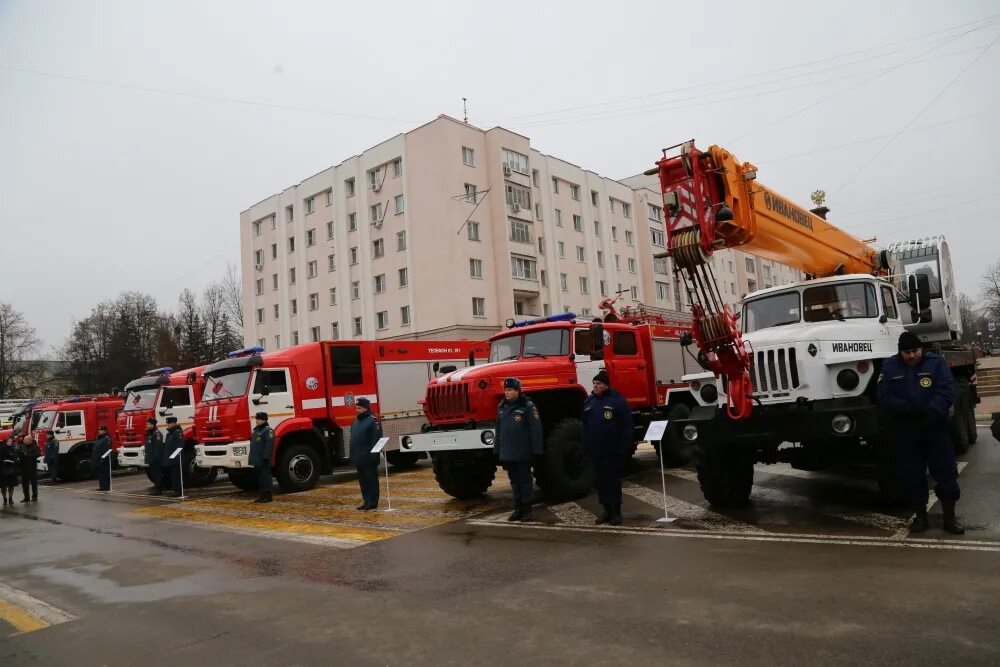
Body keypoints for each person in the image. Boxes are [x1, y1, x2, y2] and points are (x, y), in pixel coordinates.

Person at [877, 331, 962, 534]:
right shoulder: (889, 367)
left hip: (935, 429)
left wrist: (930, 412)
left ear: (921, 349)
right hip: (906, 431)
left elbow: (946, 390)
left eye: (915, 351)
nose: (912, 356)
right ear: (901, 353)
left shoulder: (936, 363)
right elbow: (884, 396)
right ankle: (920, 517)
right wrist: (907, 410)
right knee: (912, 475)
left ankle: (950, 518)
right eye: (907, 352)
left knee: (946, 474)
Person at [582, 370, 634, 526]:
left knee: (612, 480)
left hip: (612, 450)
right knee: (601, 481)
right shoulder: (589, 402)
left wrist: (625, 446)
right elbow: (585, 426)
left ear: (606, 385)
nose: (595, 386)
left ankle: (616, 511)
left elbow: (627, 425)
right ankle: (606, 510)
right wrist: (584, 445)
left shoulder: (617, 401)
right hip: (595, 450)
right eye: (594, 383)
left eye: (598, 383)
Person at [494, 377, 543, 522]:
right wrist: (497, 451)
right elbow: (499, 431)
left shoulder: (528, 407)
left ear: (517, 391)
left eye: (509, 390)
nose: (506, 393)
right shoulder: (502, 407)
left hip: (523, 452)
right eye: (505, 390)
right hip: (508, 453)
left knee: (525, 481)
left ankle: (527, 510)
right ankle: (518, 509)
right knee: (514, 482)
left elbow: (536, 431)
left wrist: (537, 451)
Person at [349, 398, 383, 511]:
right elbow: (353, 439)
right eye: (356, 408)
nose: (357, 410)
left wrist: (374, 455)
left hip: (369, 458)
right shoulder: (356, 421)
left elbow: (376, 439)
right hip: (359, 457)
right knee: (363, 482)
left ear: (366, 408)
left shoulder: (373, 421)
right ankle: (366, 501)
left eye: (359, 408)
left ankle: (372, 502)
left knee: (371, 480)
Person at [249, 412, 274, 503]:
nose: (256, 421)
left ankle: (268, 496)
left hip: (264, 459)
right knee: (260, 477)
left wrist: (266, 456)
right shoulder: (256, 431)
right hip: (257, 460)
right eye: (256, 419)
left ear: (264, 420)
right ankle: (262, 495)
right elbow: (253, 445)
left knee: (265, 477)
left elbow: (269, 444)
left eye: (258, 419)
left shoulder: (268, 430)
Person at [162, 416, 185, 498]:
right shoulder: (170, 433)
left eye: (169, 423)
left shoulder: (177, 432)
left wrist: (172, 457)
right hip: (171, 459)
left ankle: (178, 491)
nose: (168, 425)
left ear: (173, 423)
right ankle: (175, 490)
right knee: (173, 475)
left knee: (177, 475)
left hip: (176, 459)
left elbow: (180, 446)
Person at [143, 418, 165, 495]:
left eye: (148, 424)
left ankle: (158, 489)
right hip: (150, 458)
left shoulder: (157, 434)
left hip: (155, 458)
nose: (147, 425)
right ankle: (156, 487)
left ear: (153, 425)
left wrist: (155, 458)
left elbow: (158, 447)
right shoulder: (149, 433)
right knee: (153, 473)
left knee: (157, 473)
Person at [17, 434, 41, 502]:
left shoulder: (35, 446)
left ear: (30, 440)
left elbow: (38, 454)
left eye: (25, 440)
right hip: (24, 467)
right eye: (24, 440)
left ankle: (34, 496)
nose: (24, 441)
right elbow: (19, 453)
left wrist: (28, 455)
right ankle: (26, 497)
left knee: (33, 483)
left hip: (32, 467)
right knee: (24, 483)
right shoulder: (22, 446)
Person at [91, 425, 113, 491]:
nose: (99, 431)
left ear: (104, 431)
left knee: (105, 473)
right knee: (100, 473)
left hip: (104, 459)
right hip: (98, 458)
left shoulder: (107, 439)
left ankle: (105, 487)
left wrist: (103, 459)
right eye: (99, 430)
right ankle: (102, 486)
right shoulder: (99, 438)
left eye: (101, 430)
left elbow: (107, 449)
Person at [0, 438, 19, 507]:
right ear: (6, 442)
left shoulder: (13, 449)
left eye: (11, 441)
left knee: (11, 485)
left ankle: (10, 498)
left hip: (12, 469)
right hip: (3, 469)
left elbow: (16, 457)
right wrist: (3, 461)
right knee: (3, 486)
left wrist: (14, 460)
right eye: (9, 441)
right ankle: (5, 499)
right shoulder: (1, 449)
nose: (10, 442)